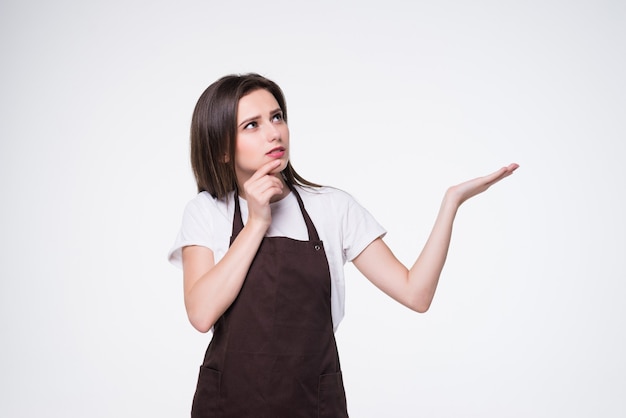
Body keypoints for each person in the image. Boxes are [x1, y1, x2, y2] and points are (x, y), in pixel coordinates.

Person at [168, 73, 518, 417]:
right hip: (228, 406)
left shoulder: (332, 208)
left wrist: (451, 202)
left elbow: (417, 293)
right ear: (223, 150)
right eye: (252, 125)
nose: (274, 132)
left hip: (313, 404)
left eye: (277, 117)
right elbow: (201, 314)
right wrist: (257, 222)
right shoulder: (207, 211)